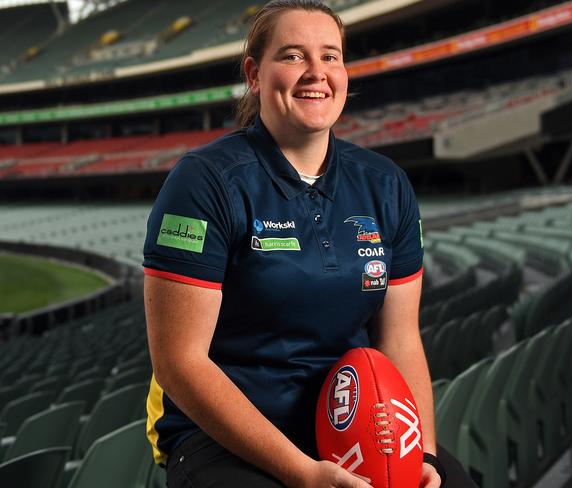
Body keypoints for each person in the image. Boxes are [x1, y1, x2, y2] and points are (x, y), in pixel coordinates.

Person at [143, 1, 475, 487]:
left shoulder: (386, 185)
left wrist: (417, 451)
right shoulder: (204, 182)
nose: (316, 73)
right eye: (294, 56)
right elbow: (179, 362)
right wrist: (303, 473)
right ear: (255, 75)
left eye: (331, 56)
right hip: (225, 435)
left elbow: (399, 339)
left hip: (354, 422)